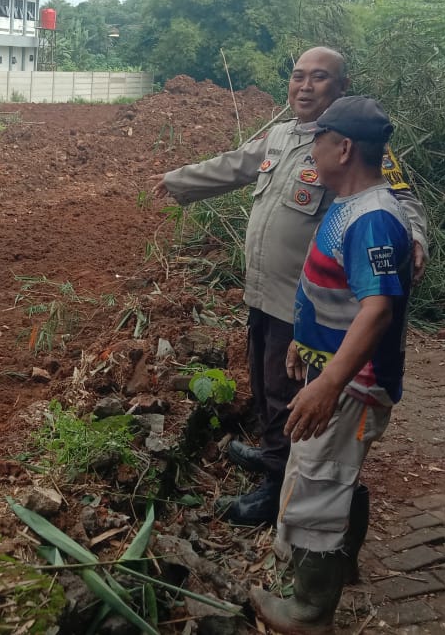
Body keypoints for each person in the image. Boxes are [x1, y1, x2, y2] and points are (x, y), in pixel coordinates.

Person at [151, 47, 427, 526]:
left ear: (339, 89)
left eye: (319, 79)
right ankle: (274, 451)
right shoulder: (279, 136)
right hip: (262, 290)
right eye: (298, 76)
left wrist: (415, 239)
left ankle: (279, 482)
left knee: (287, 388)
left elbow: (399, 202)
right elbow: (233, 164)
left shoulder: (352, 145)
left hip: (305, 305)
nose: (304, 86)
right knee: (262, 380)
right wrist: (177, 182)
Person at [249, 95, 414, 634]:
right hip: (333, 373)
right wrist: (304, 339)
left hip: (353, 386)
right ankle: (341, 569)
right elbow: (336, 294)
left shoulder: (372, 219)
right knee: (330, 473)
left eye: (317, 141)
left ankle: (310, 610)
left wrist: (329, 385)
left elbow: (376, 310)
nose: (310, 150)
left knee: (317, 484)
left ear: (342, 148)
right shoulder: (347, 205)